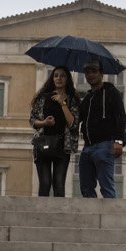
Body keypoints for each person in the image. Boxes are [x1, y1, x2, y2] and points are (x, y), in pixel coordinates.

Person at [78, 58, 126, 198]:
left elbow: (121, 118)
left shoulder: (112, 93)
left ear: (101, 73)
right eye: (87, 73)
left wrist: (119, 141)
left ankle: (111, 219)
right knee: (86, 189)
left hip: (105, 145)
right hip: (87, 147)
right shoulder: (88, 98)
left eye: (93, 71)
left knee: (107, 188)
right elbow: (77, 118)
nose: (90, 75)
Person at [29, 66, 80, 197]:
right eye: (56, 75)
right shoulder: (43, 98)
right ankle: (41, 215)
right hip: (43, 144)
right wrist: (44, 122)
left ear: (67, 79)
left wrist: (62, 103)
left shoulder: (72, 100)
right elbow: (32, 120)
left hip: (63, 146)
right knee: (45, 183)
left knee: (59, 184)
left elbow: (73, 123)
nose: (59, 78)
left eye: (63, 75)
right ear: (52, 79)